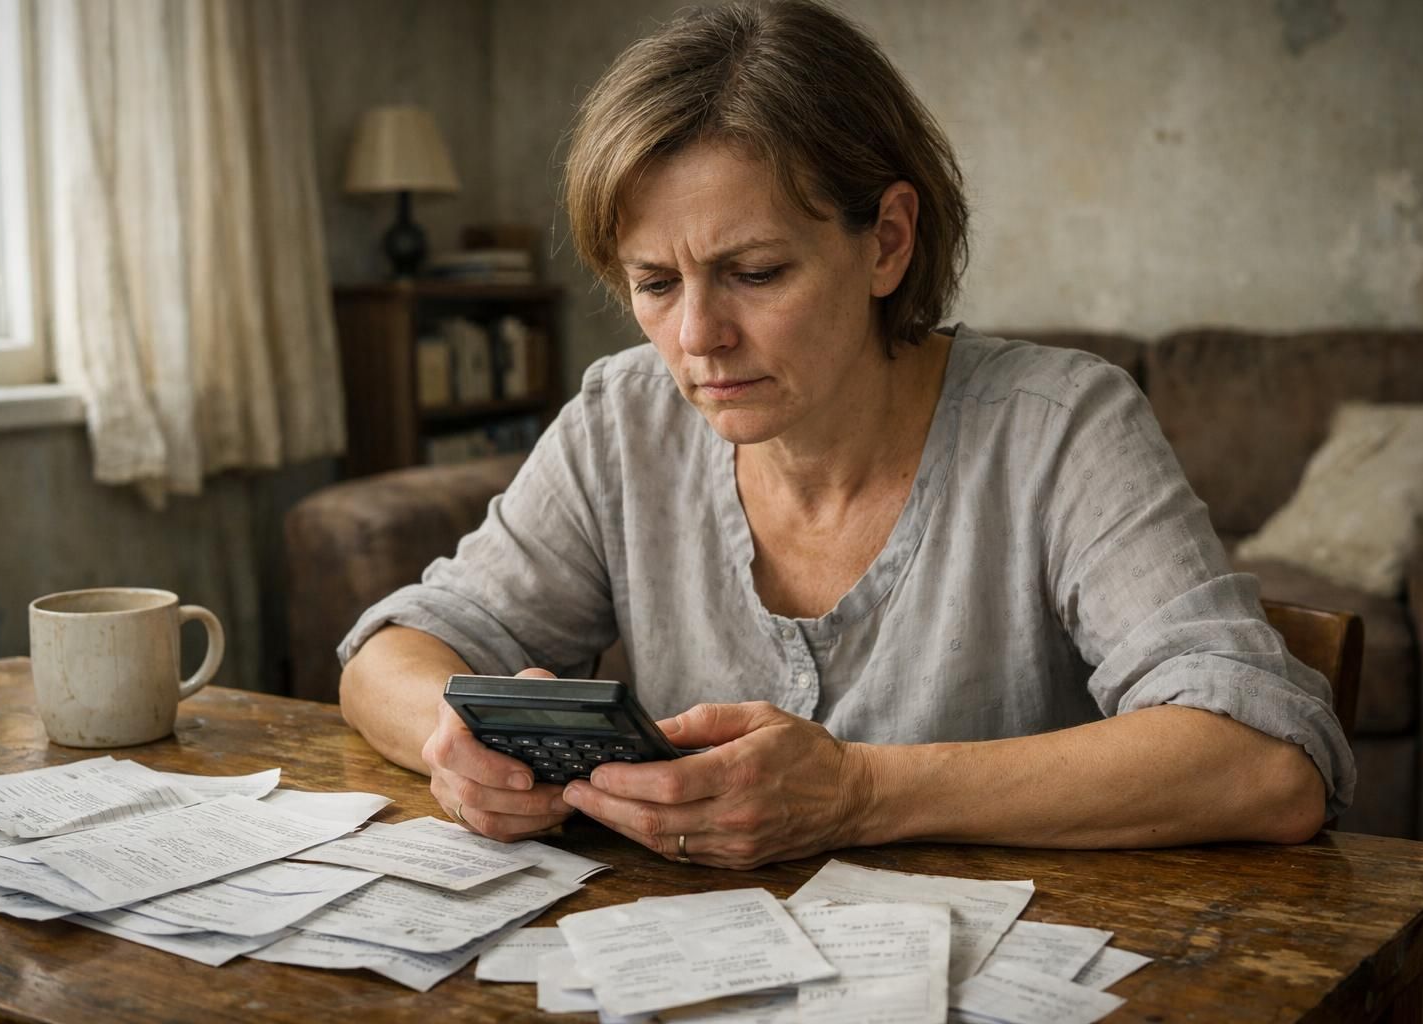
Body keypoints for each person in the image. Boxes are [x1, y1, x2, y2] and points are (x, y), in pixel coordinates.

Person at [337, 0, 1353, 870]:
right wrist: (456, 743)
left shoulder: (1063, 427)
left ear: (889, 243)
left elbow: (1264, 766)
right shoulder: (622, 418)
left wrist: (861, 791)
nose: (696, 339)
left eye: (756, 271)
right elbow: (389, 656)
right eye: (654, 283)